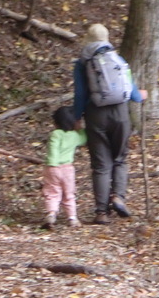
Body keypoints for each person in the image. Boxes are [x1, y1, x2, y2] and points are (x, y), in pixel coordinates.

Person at [73, 24, 147, 225]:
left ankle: (101, 212)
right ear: (106, 38)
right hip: (120, 112)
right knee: (120, 158)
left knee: (101, 165)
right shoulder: (118, 59)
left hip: (95, 114)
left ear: (87, 39)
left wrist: (76, 116)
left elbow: (80, 94)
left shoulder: (82, 63)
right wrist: (140, 96)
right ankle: (118, 197)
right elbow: (131, 92)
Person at [42, 106, 87, 229]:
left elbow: (53, 148)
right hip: (68, 169)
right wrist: (80, 128)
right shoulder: (75, 136)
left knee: (52, 192)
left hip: (53, 167)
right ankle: (72, 218)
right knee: (69, 193)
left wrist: (52, 163)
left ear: (56, 122)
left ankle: (51, 214)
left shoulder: (55, 134)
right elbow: (84, 138)